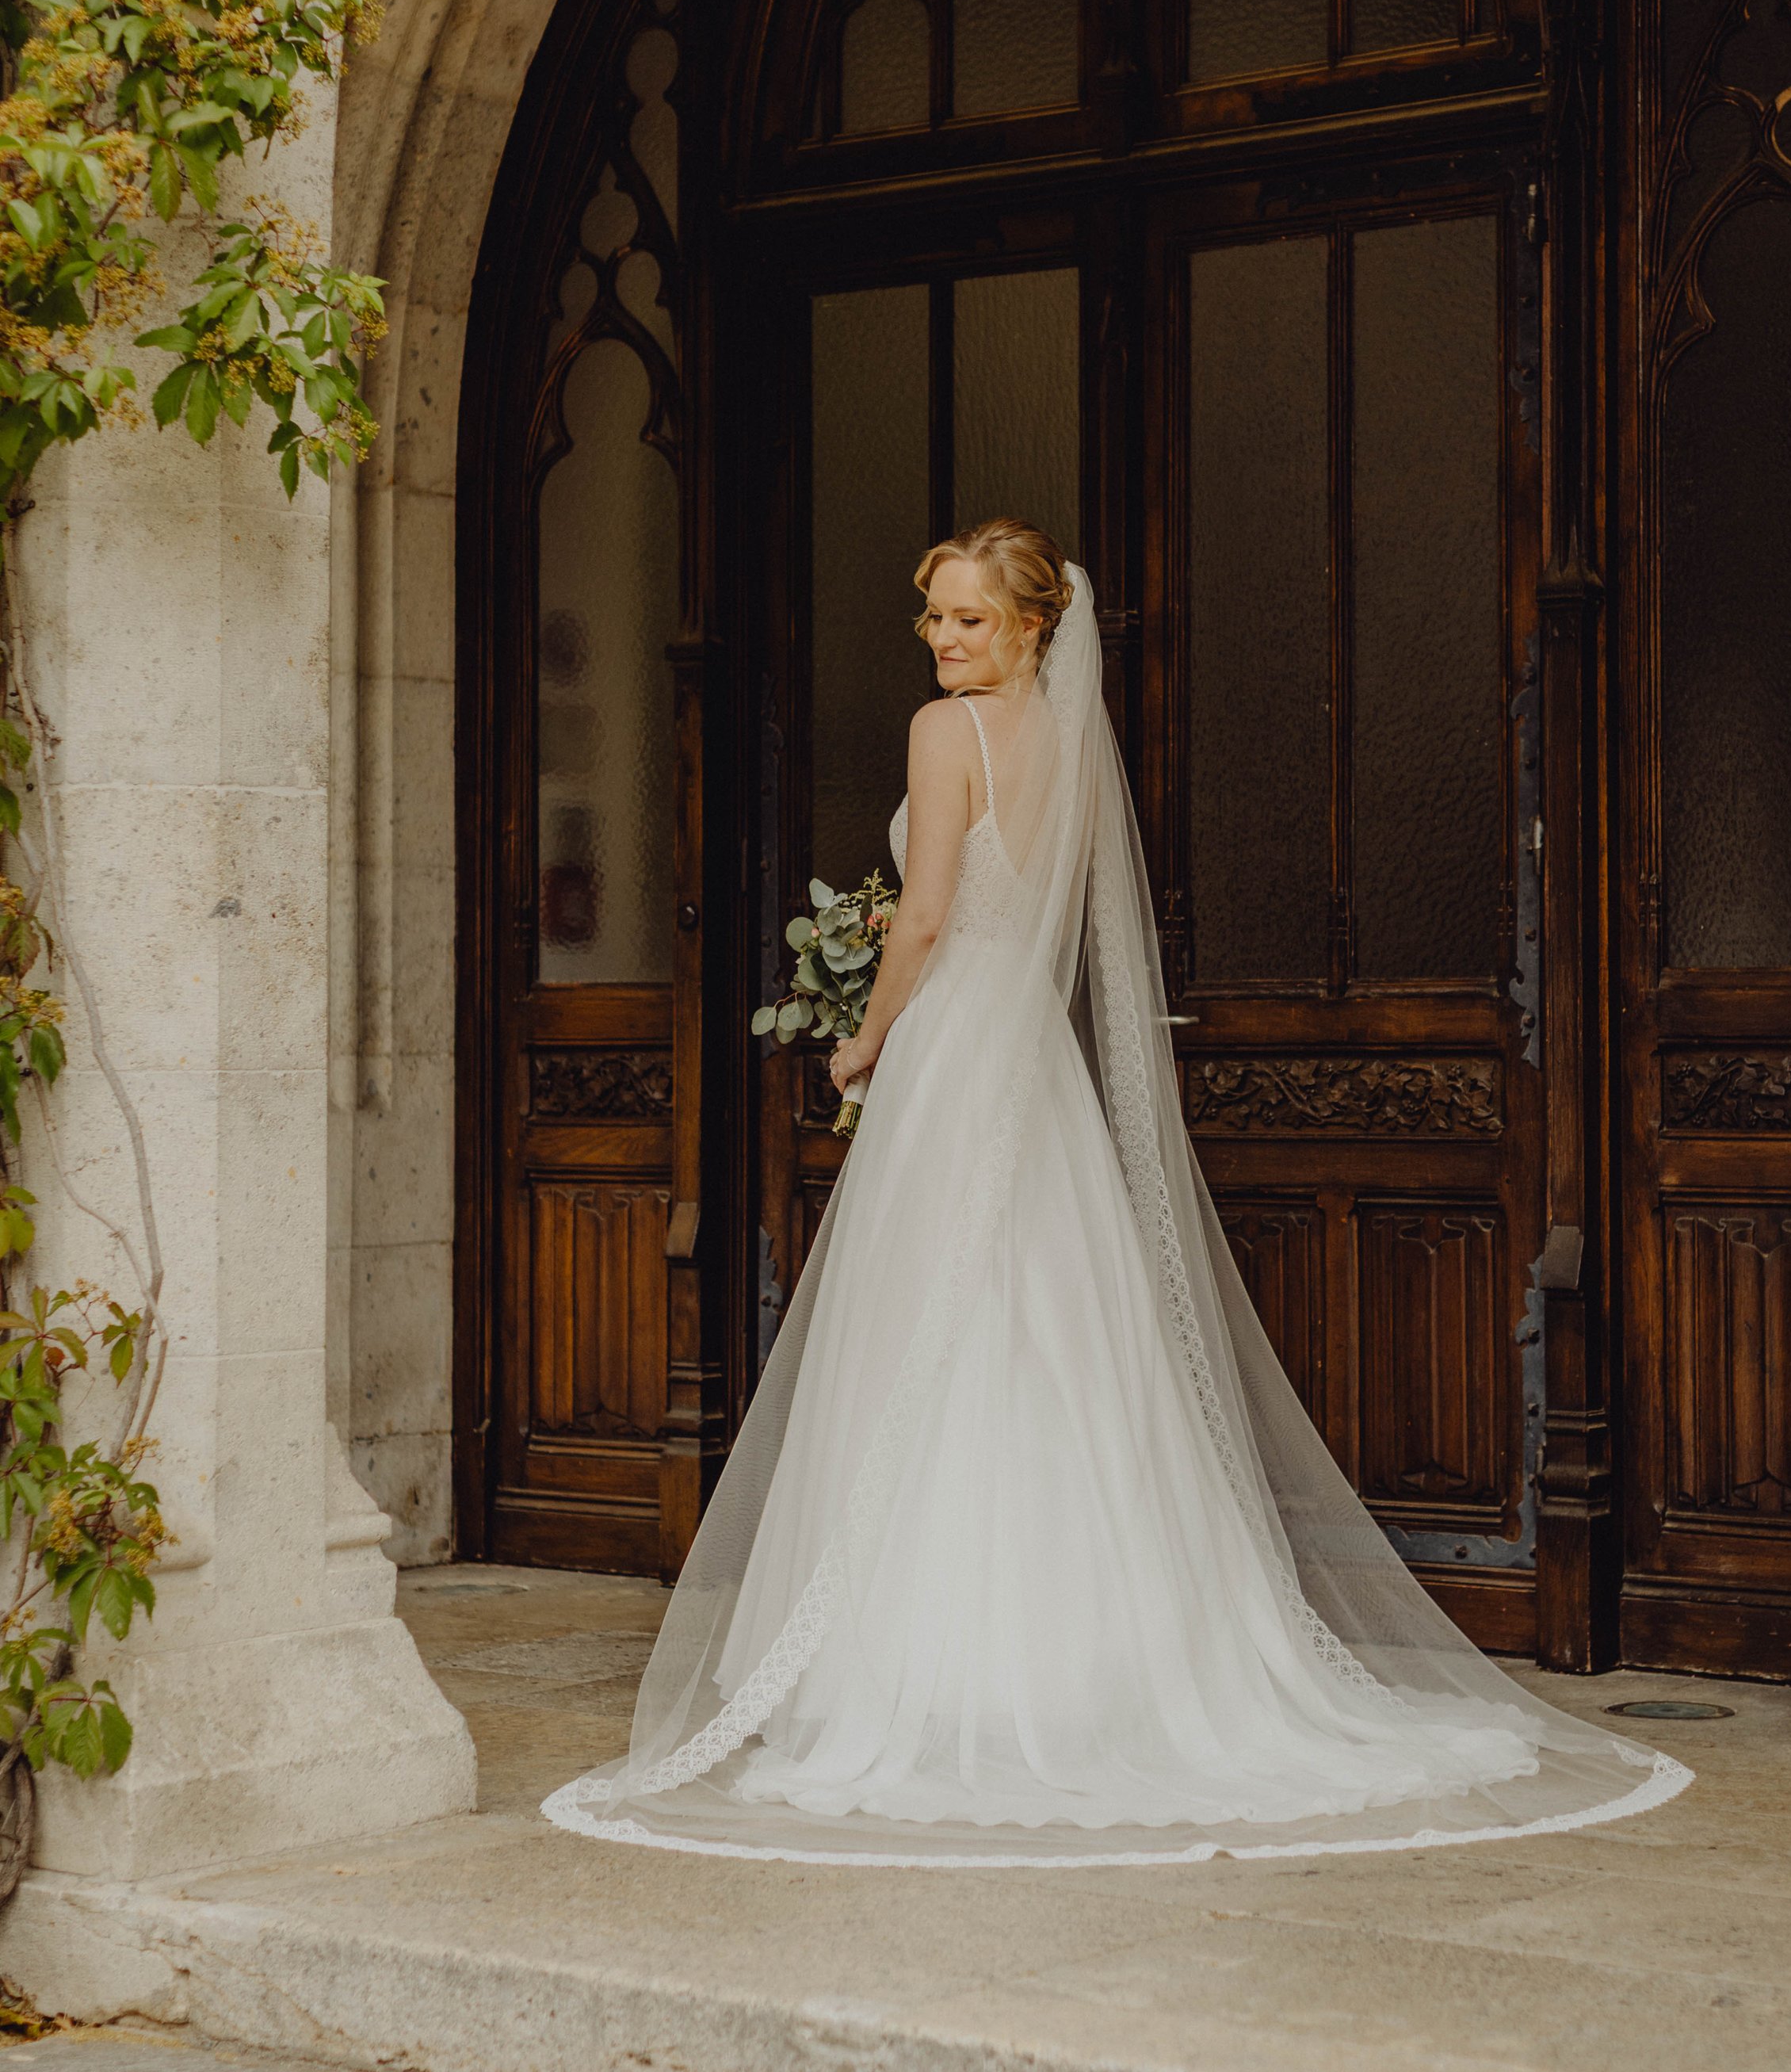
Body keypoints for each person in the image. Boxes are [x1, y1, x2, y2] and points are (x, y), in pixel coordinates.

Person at [545, 519, 1688, 1865]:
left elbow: (924, 918)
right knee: (1045, 1332)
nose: (942, 641)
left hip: (959, 1052)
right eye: (934, 621)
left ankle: (947, 1670)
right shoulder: (1075, 747)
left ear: (1032, 626)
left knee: (944, 1331)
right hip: (1029, 1055)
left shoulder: (942, 734)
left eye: (969, 620)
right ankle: (1105, 1654)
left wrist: (861, 1038)